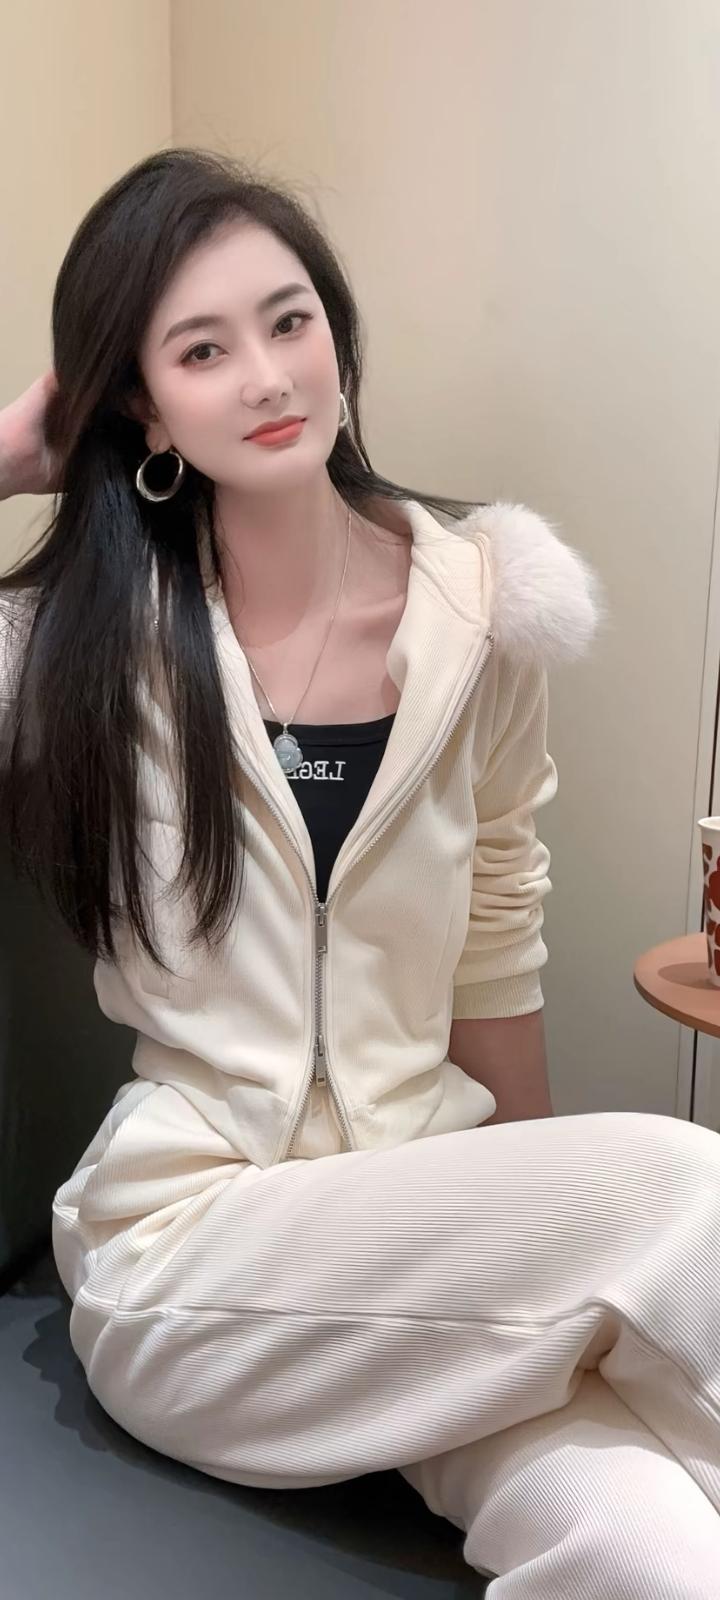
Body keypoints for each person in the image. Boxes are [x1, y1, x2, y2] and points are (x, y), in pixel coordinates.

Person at [1, 146, 719, 1597]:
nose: (269, 376)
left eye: (291, 321)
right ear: (136, 403)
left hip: (421, 1242)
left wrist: (520, 1208)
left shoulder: (487, 612)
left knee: (652, 1546)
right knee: (678, 1183)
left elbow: (497, 929)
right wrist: (10, 457)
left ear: (337, 328)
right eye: (202, 350)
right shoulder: (66, 646)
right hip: (193, 1264)